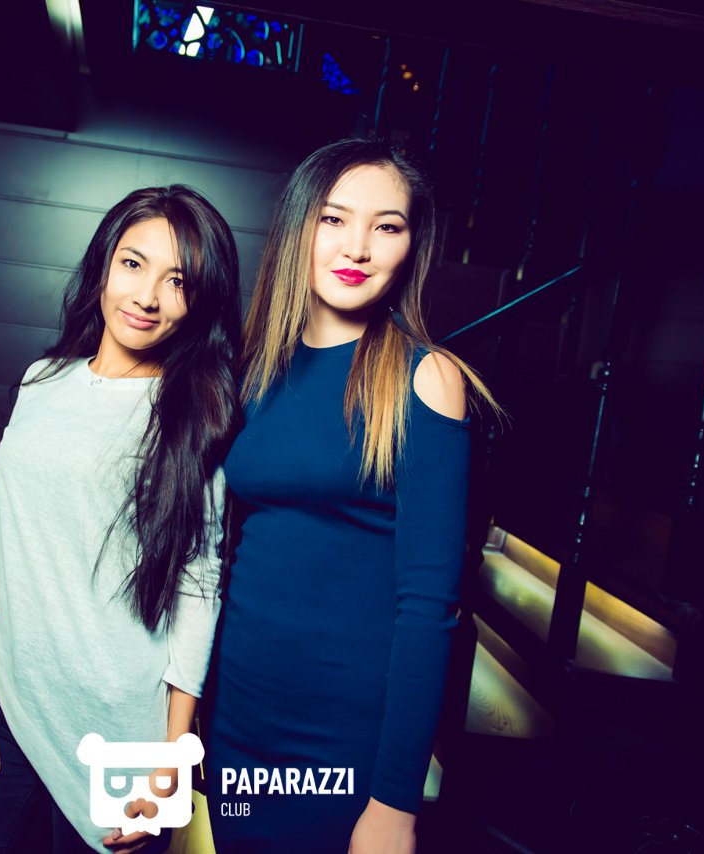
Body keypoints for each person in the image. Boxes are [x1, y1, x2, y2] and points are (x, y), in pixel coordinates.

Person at [0, 185, 242, 853]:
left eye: (177, 280)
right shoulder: (43, 381)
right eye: (133, 264)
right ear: (103, 265)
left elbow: (198, 585)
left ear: (200, 301)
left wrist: (172, 754)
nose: (147, 296)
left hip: (122, 725)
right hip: (9, 696)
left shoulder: (194, 415)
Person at [204, 138, 499, 854]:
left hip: (341, 733)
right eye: (334, 219)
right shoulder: (250, 369)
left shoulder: (426, 378)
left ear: (411, 246)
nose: (357, 247)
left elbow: (430, 605)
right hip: (238, 714)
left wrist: (395, 801)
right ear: (299, 228)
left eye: (386, 226)